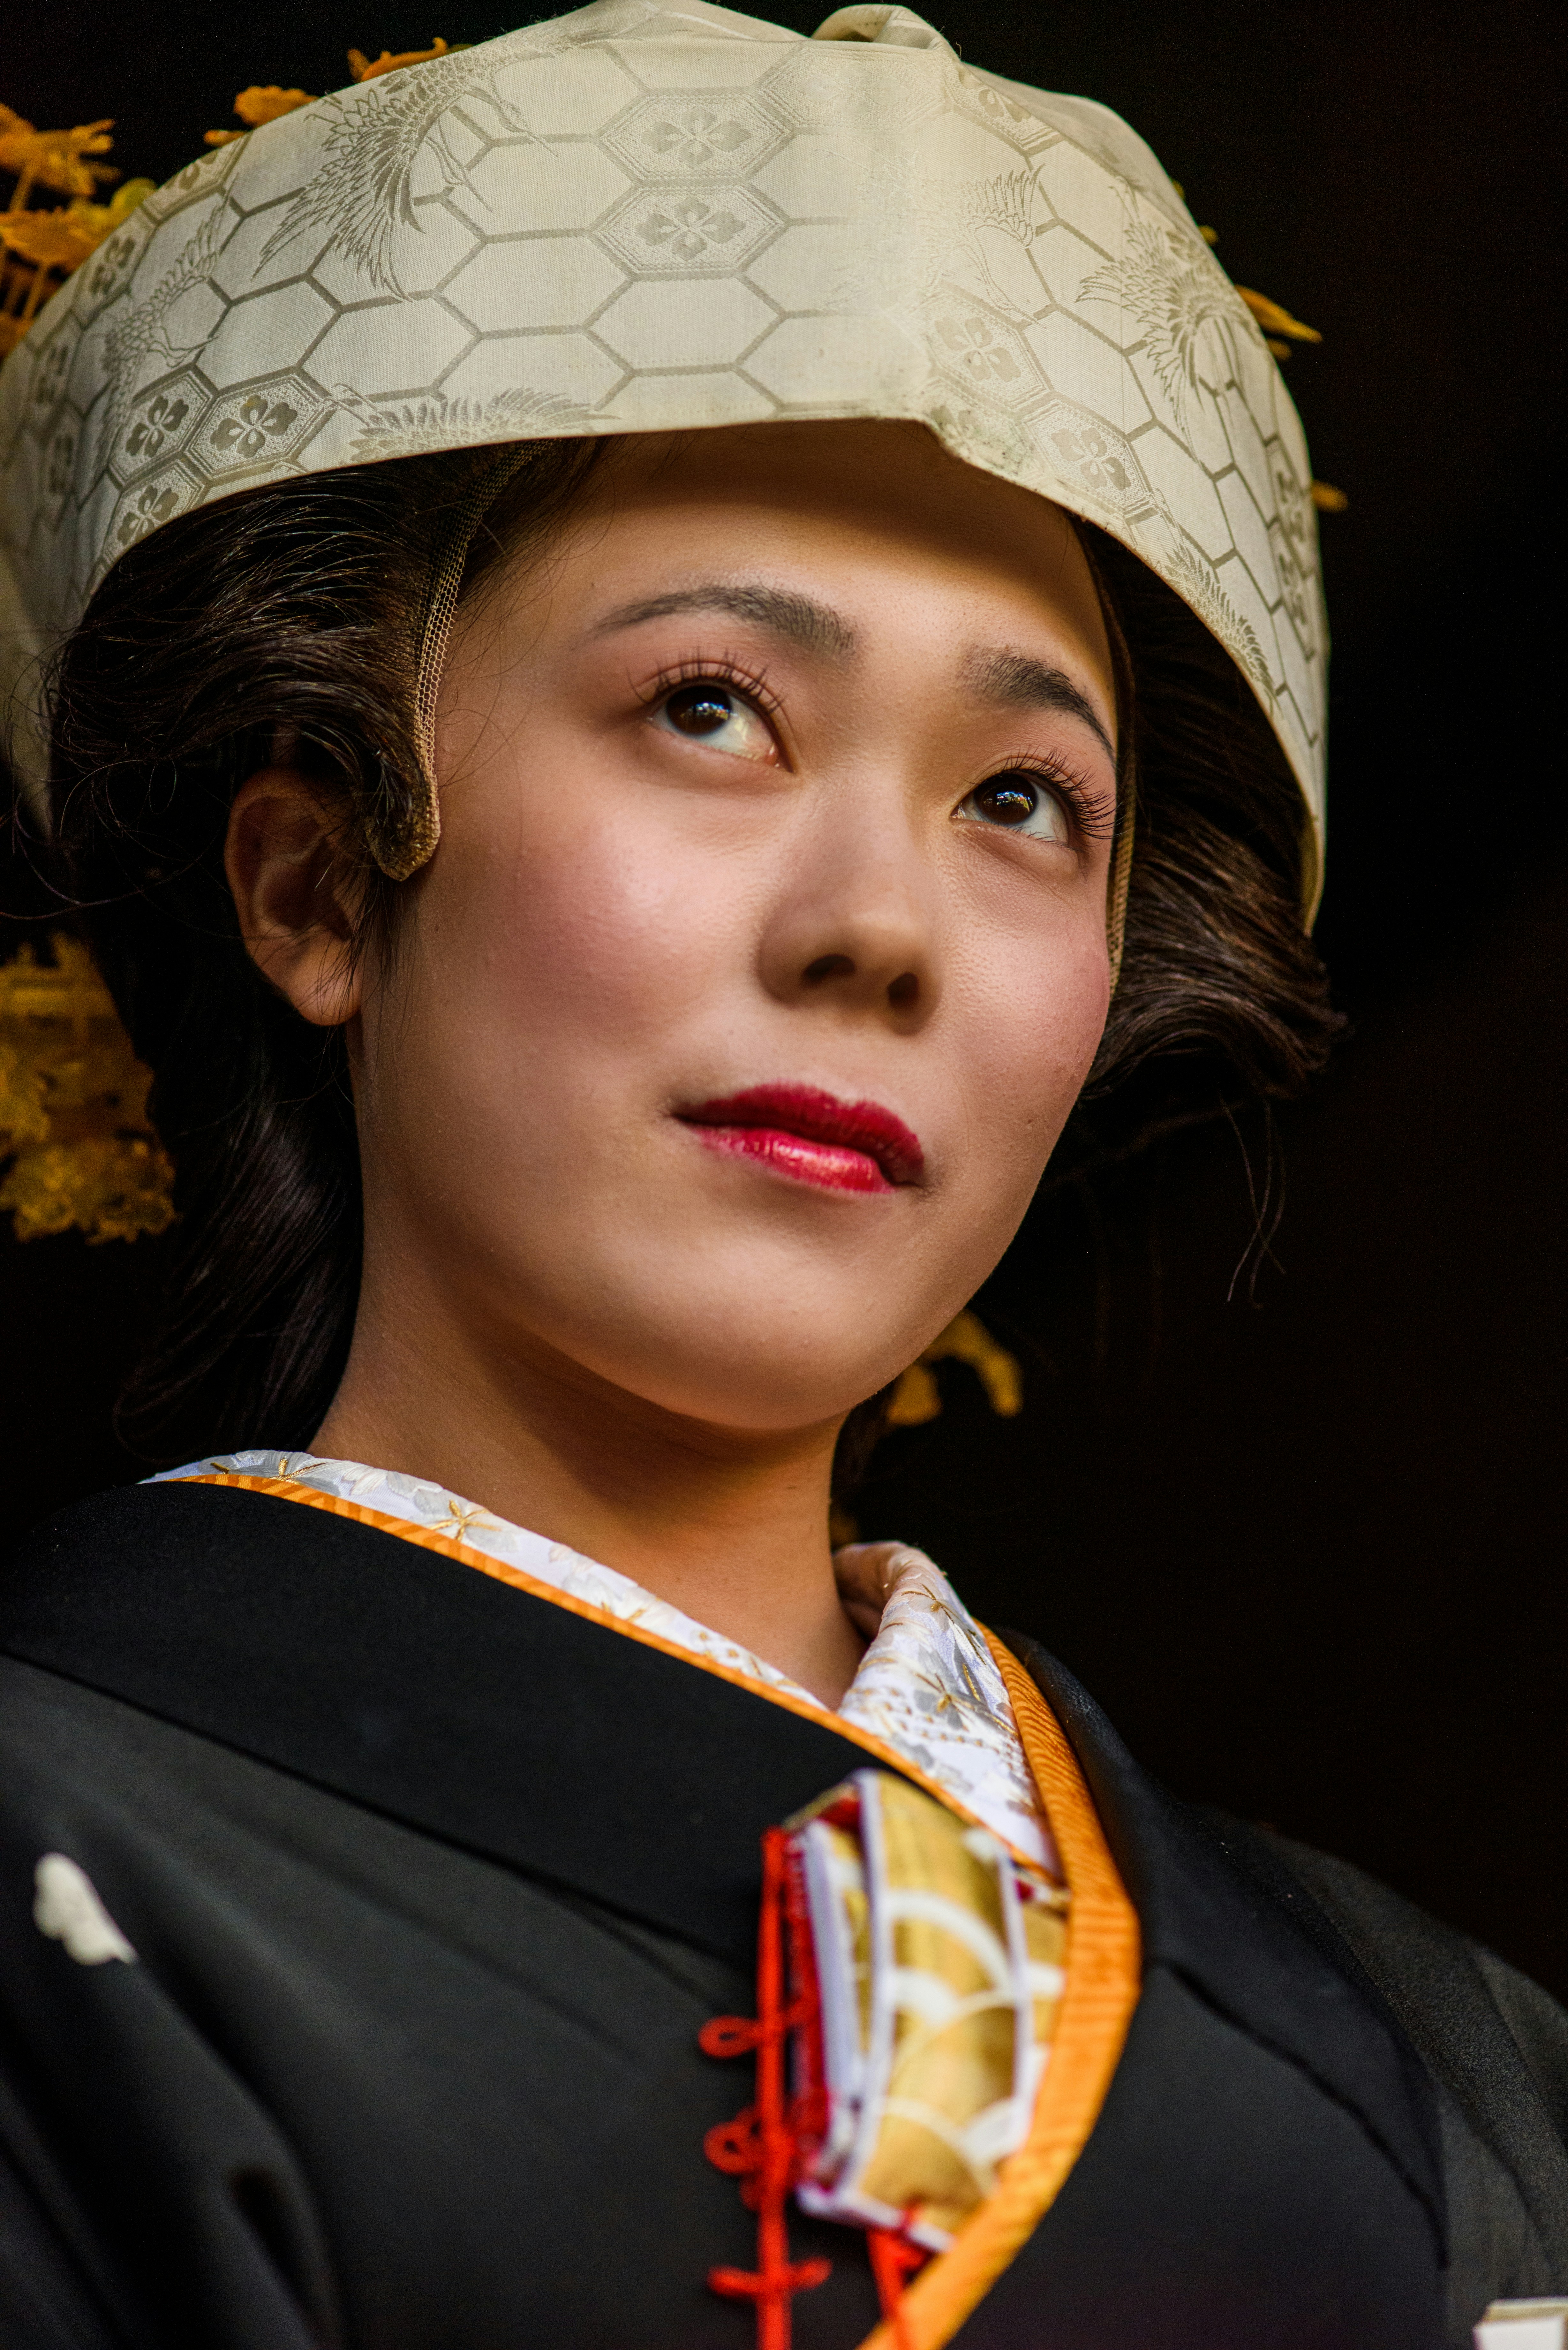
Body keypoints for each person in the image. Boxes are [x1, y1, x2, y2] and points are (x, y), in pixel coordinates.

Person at [0, 5, 1564, 2346]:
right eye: (711, 707)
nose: (880, 926)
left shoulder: (1467, 2085)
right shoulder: (69, 1848)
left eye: (1021, 799)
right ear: (316, 882)